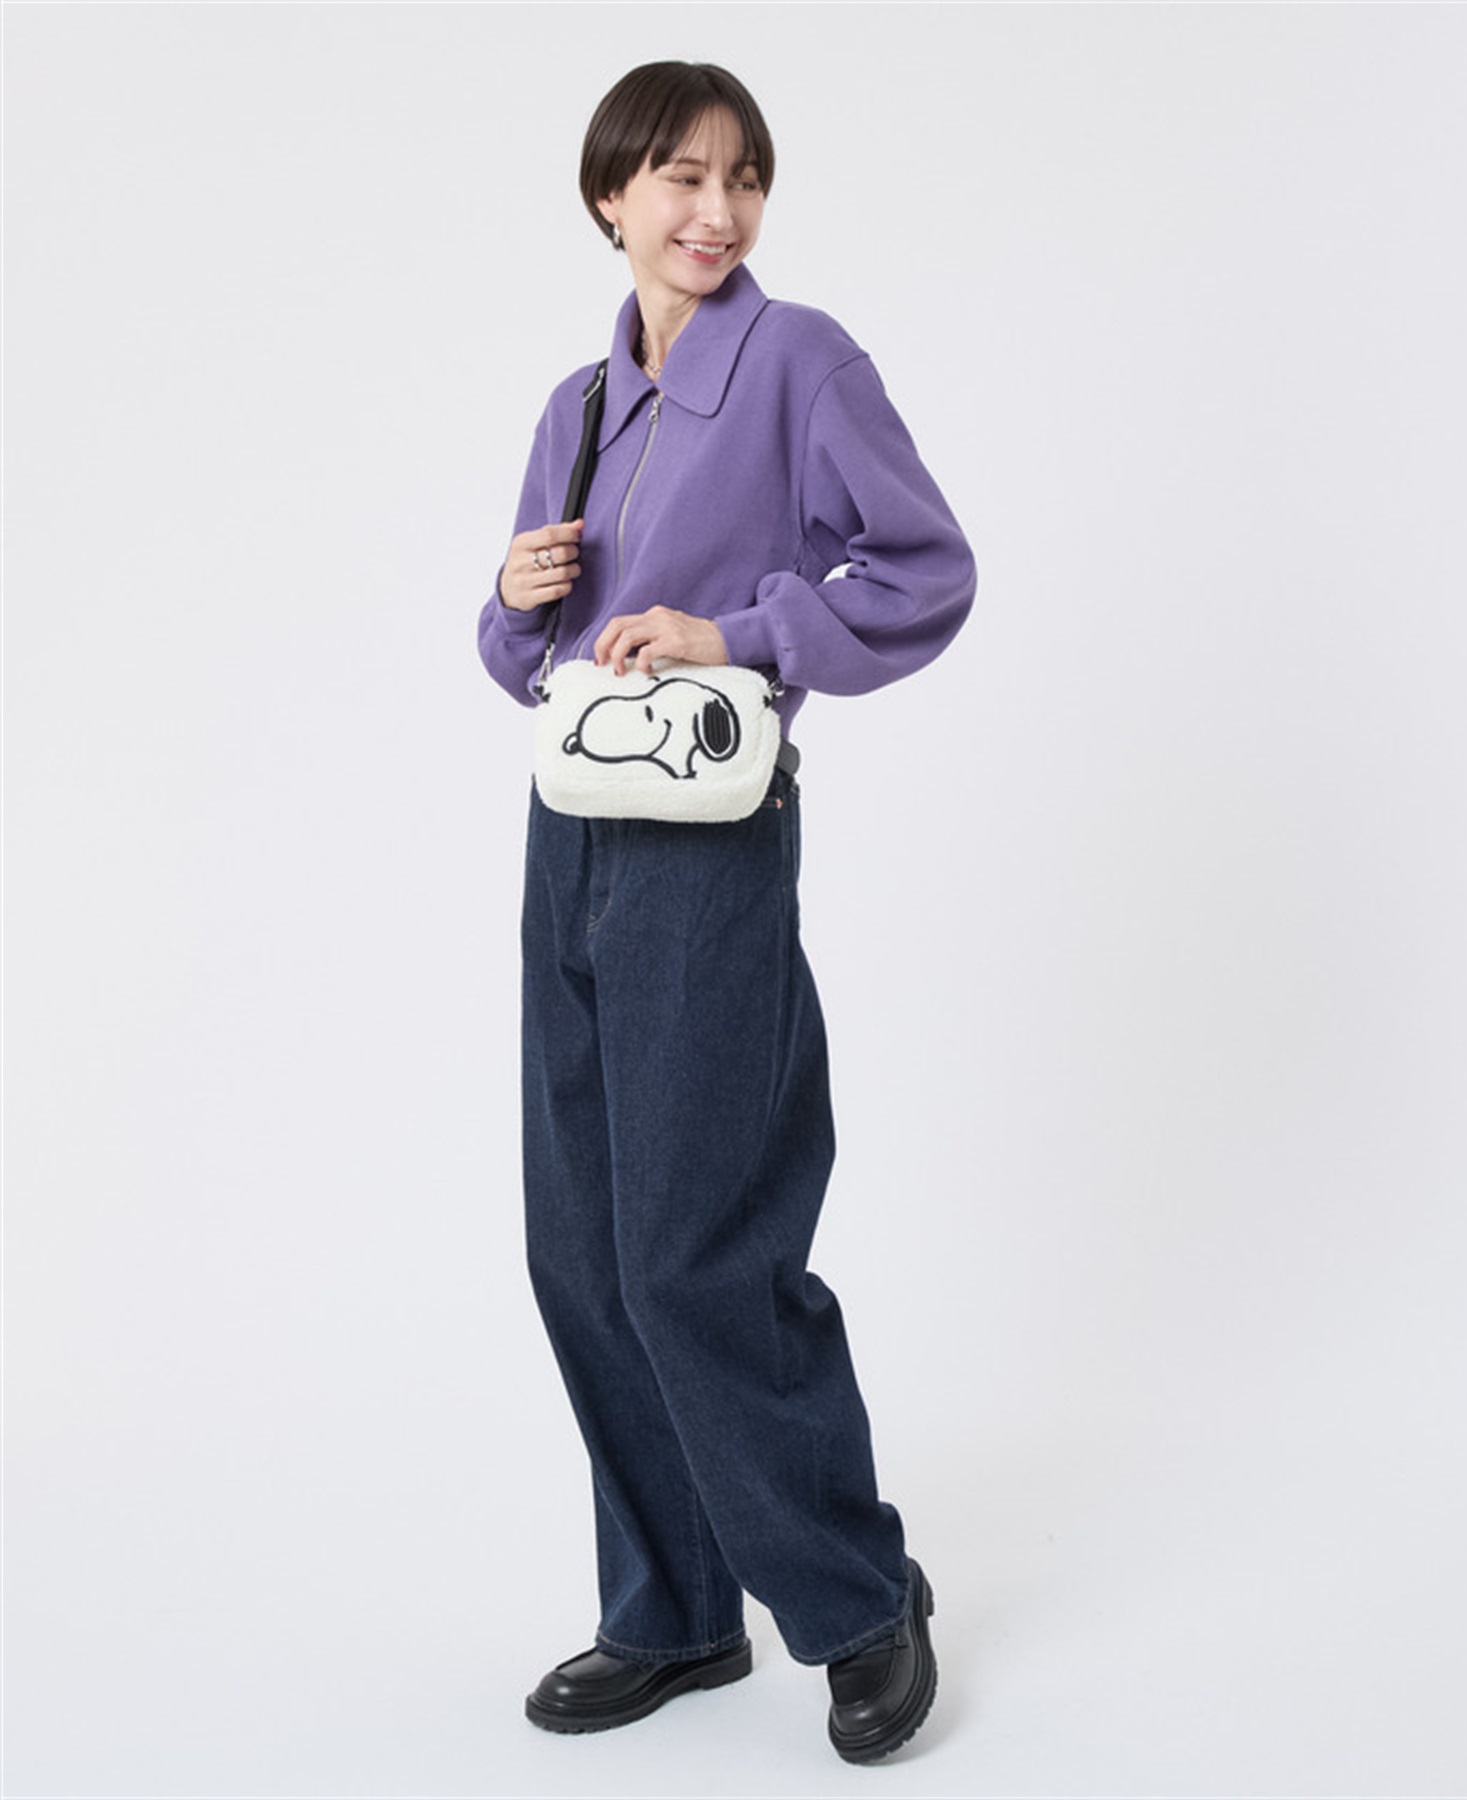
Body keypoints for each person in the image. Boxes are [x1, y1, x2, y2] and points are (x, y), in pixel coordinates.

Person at [477, 62, 975, 1764]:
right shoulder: (579, 403)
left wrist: (740, 631)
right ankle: (674, 1612)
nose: (717, 210)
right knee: (581, 1249)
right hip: (571, 831)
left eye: (743, 177)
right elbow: (524, 657)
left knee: (697, 1249)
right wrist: (512, 599)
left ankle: (858, 1599)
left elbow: (922, 569)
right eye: (681, 177)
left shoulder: (800, 363)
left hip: (707, 837)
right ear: (608, 198)